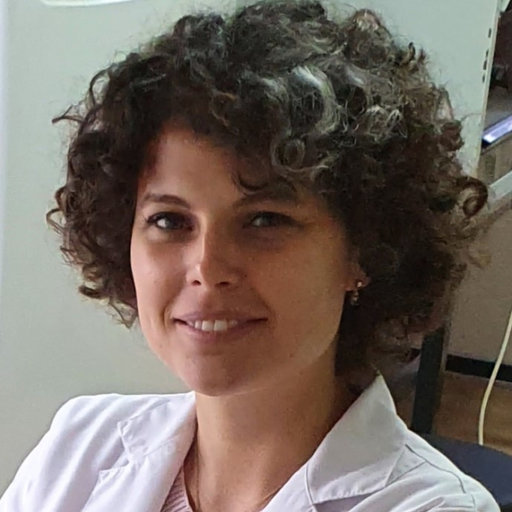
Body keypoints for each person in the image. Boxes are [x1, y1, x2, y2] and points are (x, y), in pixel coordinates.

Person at [0, 1, 499, 511]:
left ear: (365, 250)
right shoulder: (80, 447)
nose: (207, 268)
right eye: (169, 221)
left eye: (264, 221)